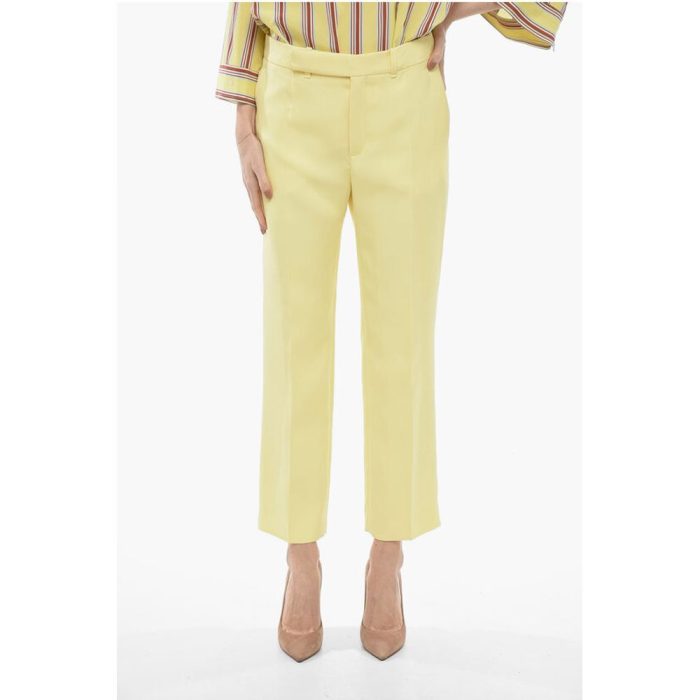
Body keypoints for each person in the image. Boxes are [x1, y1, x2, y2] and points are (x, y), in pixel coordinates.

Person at [216, 2, 567, 662]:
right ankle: (300, 556)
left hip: (404, 93)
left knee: (402, 340)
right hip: (292, 94)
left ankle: (388, 555)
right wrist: (242, 117)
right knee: (294, 339)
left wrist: (455, 8)